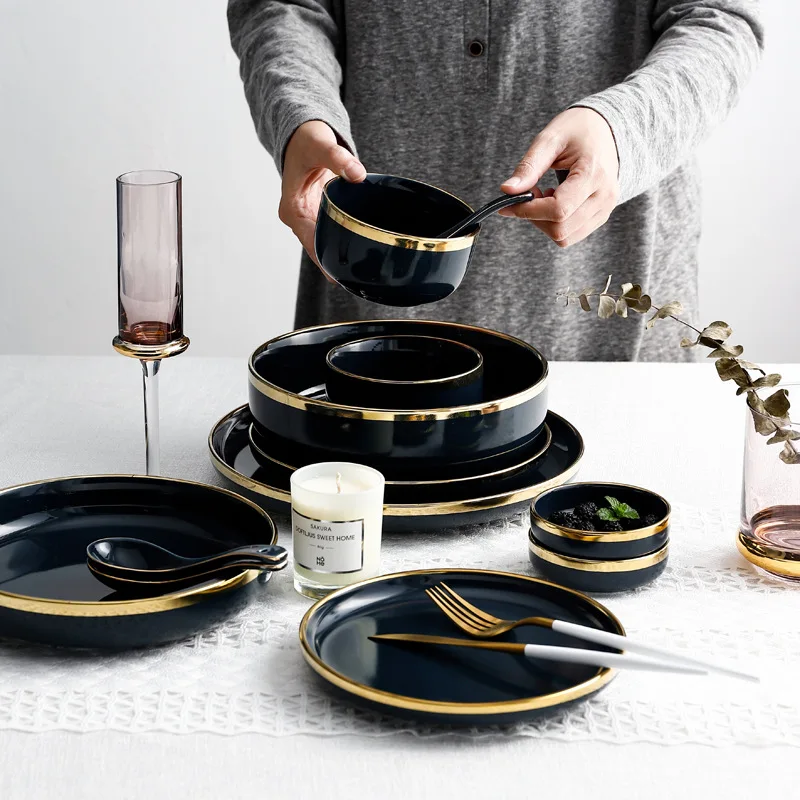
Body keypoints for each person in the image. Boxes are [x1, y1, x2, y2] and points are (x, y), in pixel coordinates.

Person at [227, 1, 762, 361]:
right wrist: (299, 113)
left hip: (616, 308)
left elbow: (720, 19)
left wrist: (622, 132)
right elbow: (284, 6)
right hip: (365, 281)